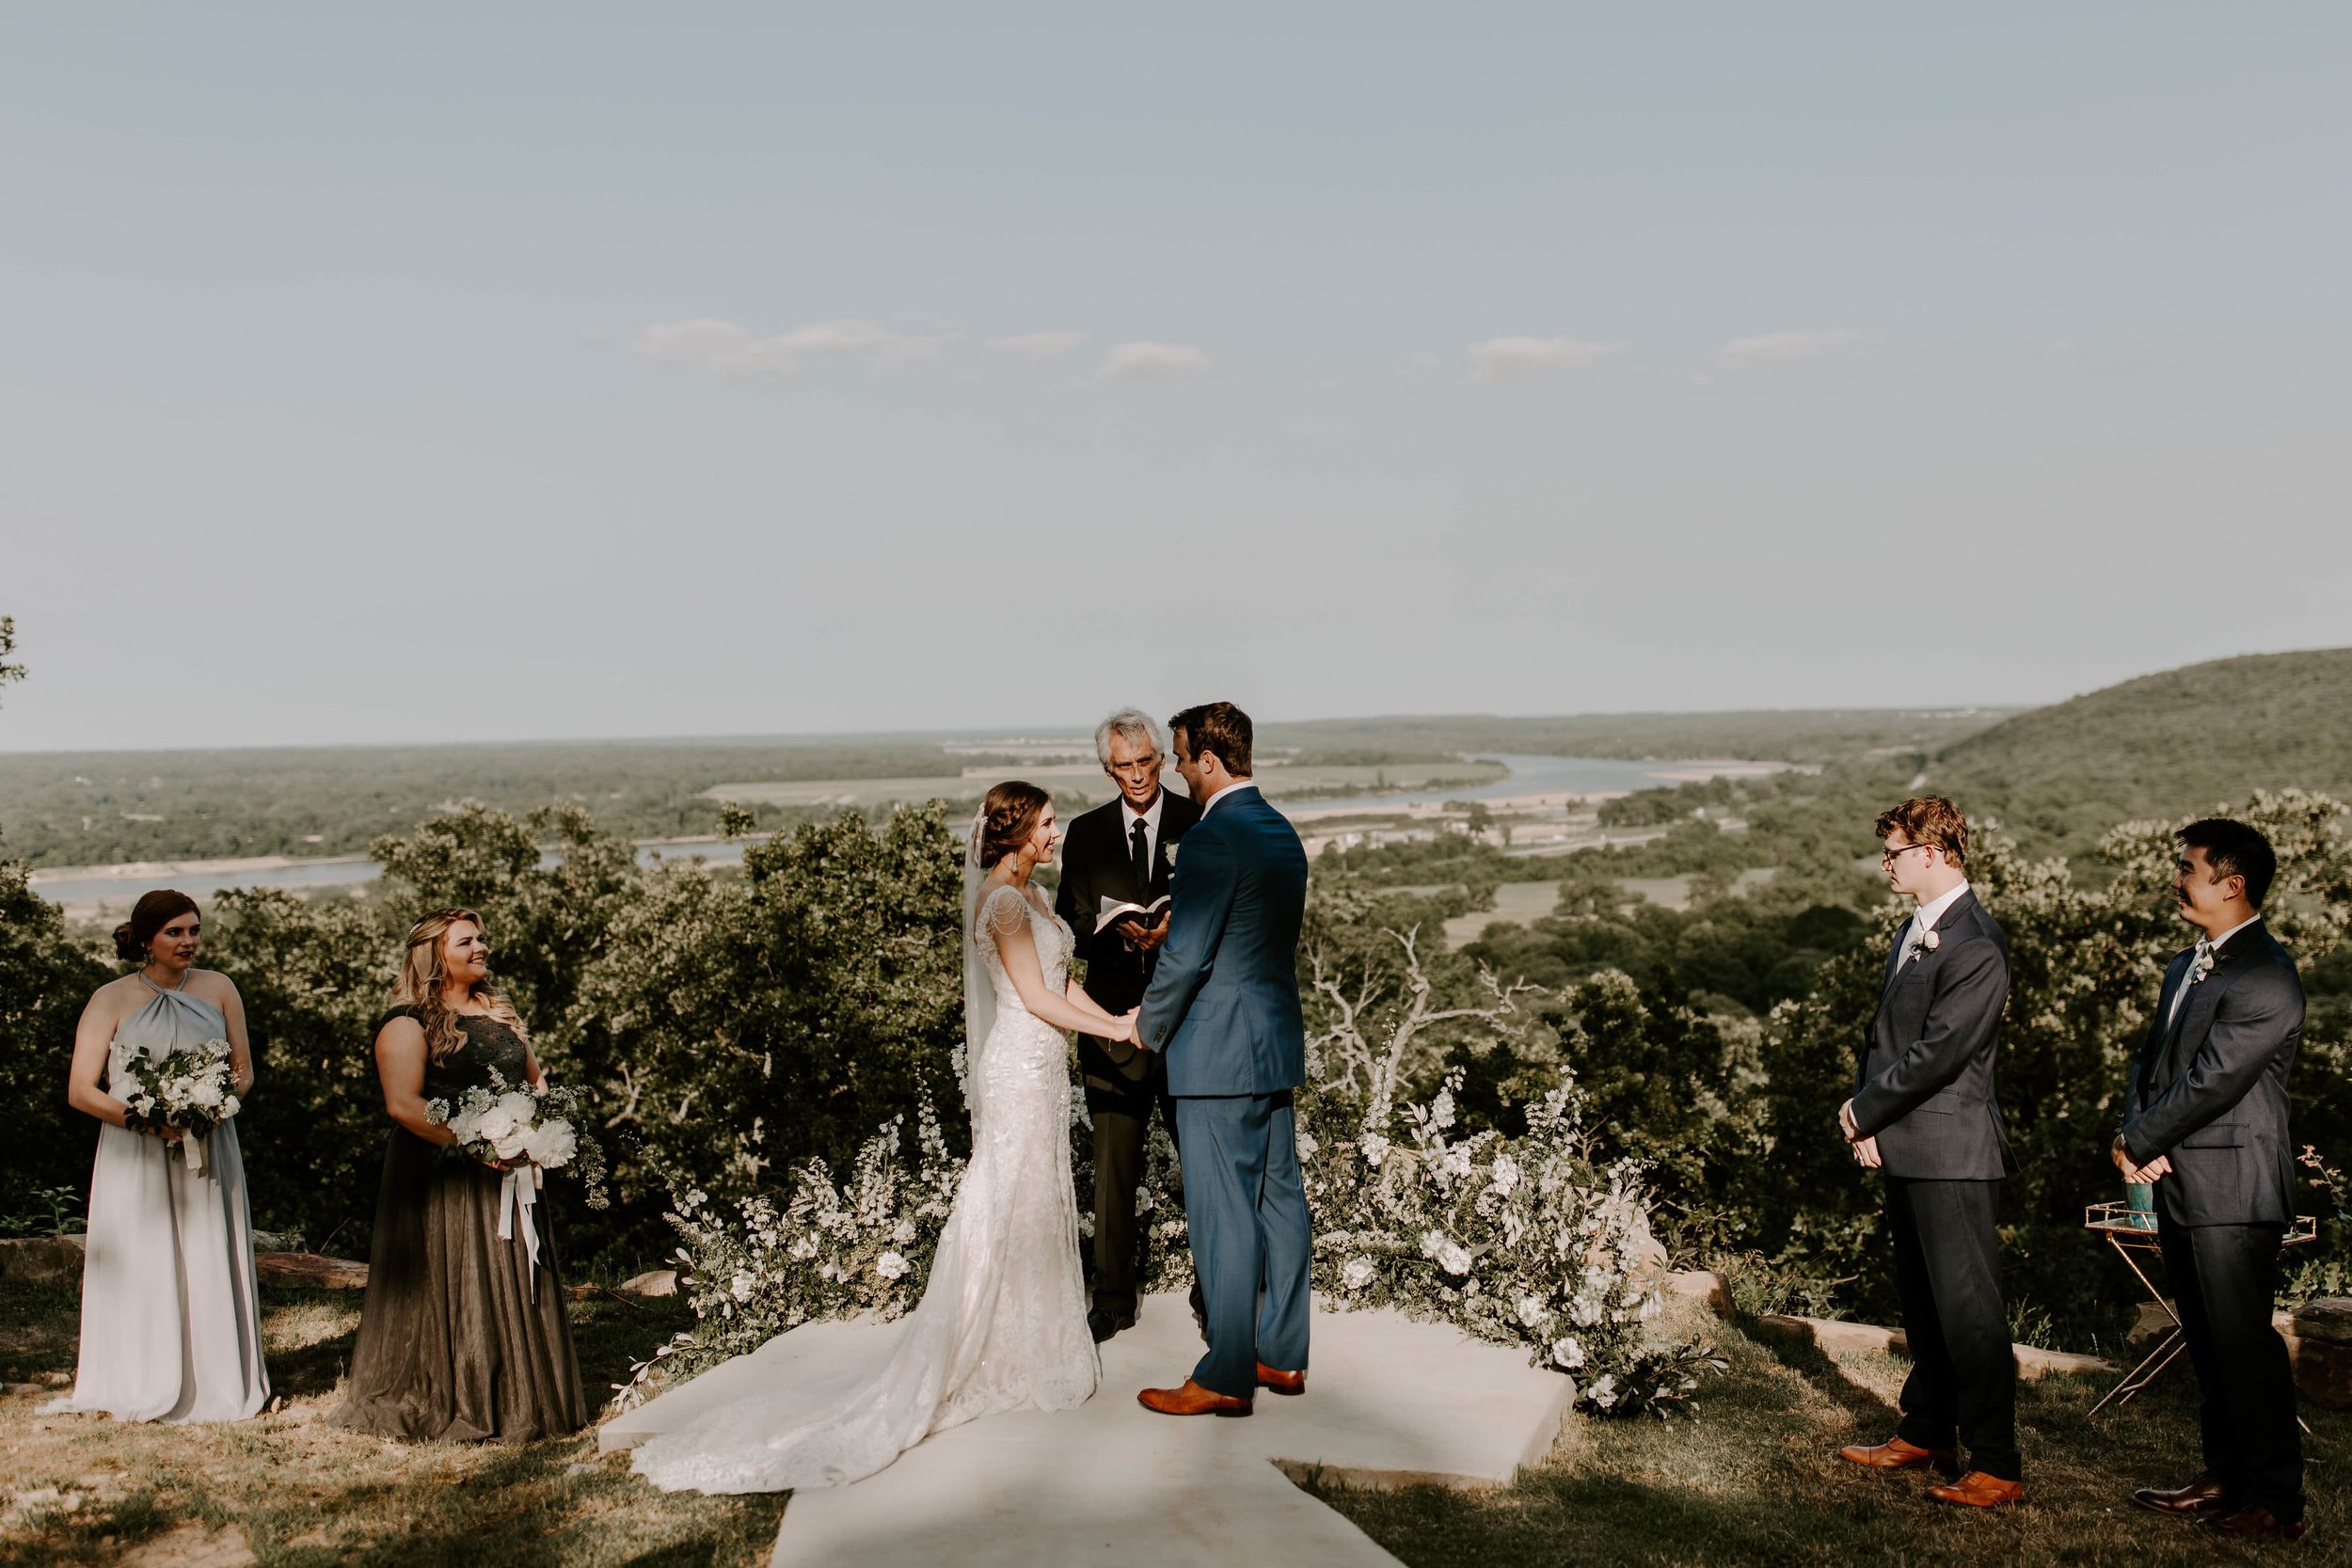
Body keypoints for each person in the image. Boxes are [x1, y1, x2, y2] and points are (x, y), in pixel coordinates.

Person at [632, 781, 1137, 1492]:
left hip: (1045, 1071)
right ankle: (985, 1348)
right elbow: (1038, 997)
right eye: (1049, 823)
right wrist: (1115, 1027)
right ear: (1020, 831)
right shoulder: (1001, 901)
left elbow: (1067, 979)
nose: (1057, 833)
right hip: (1019, 1070)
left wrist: (1117, 1013)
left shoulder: (1039, 899)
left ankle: (1033, 1341)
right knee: (1005, 1200)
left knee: (1040, 1199)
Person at [2115, 818, 2307, 1542]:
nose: (2176, 878)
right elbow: (2153, 1062)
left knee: (2243, 1345)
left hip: (2234, 1188)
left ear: (2232, 884)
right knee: (2205, 1337)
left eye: (2187, 867)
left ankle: (2277, 1501)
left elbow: (2213, 1081)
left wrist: (2138, 1139)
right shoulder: (2184, 964)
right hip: (2180, 1180)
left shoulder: (2268, 974)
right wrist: (2136, 1135)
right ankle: (2224, 1475)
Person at [330, 908, 586, 1442]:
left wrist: (537, 1133)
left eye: (482, 937)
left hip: (511, 1165)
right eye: (466, 941)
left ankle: (517, 1394)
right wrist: (476, 1144)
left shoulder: (497, 1011)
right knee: (460, 1279)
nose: (481, 948)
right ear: (434, 955)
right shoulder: (408, 1022)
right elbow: (403, 1105)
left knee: (511, 1274)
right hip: (442, 1174)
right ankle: (456, 1392)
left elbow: (537, 1082)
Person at [1836, 798, 2021, 1507]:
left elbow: (1941, 1052)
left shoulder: (1975, 942)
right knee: (1923, 1303)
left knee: (1969, 1310)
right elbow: (1883, 1038)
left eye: (1894, 852)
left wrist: (1863, 1108)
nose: (1886, 865)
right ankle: (1927, 1429)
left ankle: (1998, 1463)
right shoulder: (1912, 930)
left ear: (1935, 852)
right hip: (1905, 1144)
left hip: (1951, 1150)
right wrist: (1871, 1125)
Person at [1135, 703, 1312, 1418]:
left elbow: (1188, 956)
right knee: (1280, 1200)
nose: (1177, 770)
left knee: (1223, 1212)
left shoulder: (1211, 839)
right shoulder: (1280, 831)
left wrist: (1146, 1026)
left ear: (1210, 759)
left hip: (1216, 1052)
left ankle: (1228, 1373)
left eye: (1180, 757)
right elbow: (1253, 937)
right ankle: (1282, 1354)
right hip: (1272, 1041)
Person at [52, 889, 270, 1423]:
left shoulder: (220, 989)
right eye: (175, 932)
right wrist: (147, 1121)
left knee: (205, 1248)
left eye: (194, 930)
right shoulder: (110, 999)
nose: (188, 941)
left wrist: (214, 1107)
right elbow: (81, 1090)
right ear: (146, 939)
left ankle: (216, 1380)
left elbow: (243, 1071)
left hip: (209, 1143)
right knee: (142, 1255)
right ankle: (139, 1375)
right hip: (135, 1151)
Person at [1054, 707, 1201, 1342]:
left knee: (1202, 1163)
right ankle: (1112, 1300)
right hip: (1111, 1018)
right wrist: (1118, 935)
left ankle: (1214, 1294)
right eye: (1125, 765)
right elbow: (1068, 924)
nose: (1138, 775)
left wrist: (1173, 929)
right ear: (1108, 769)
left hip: (1189, 1021)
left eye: (1147, 762)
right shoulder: (1085, 834)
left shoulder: (1197, 822)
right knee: (1112, 1167)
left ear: (1162, 762)